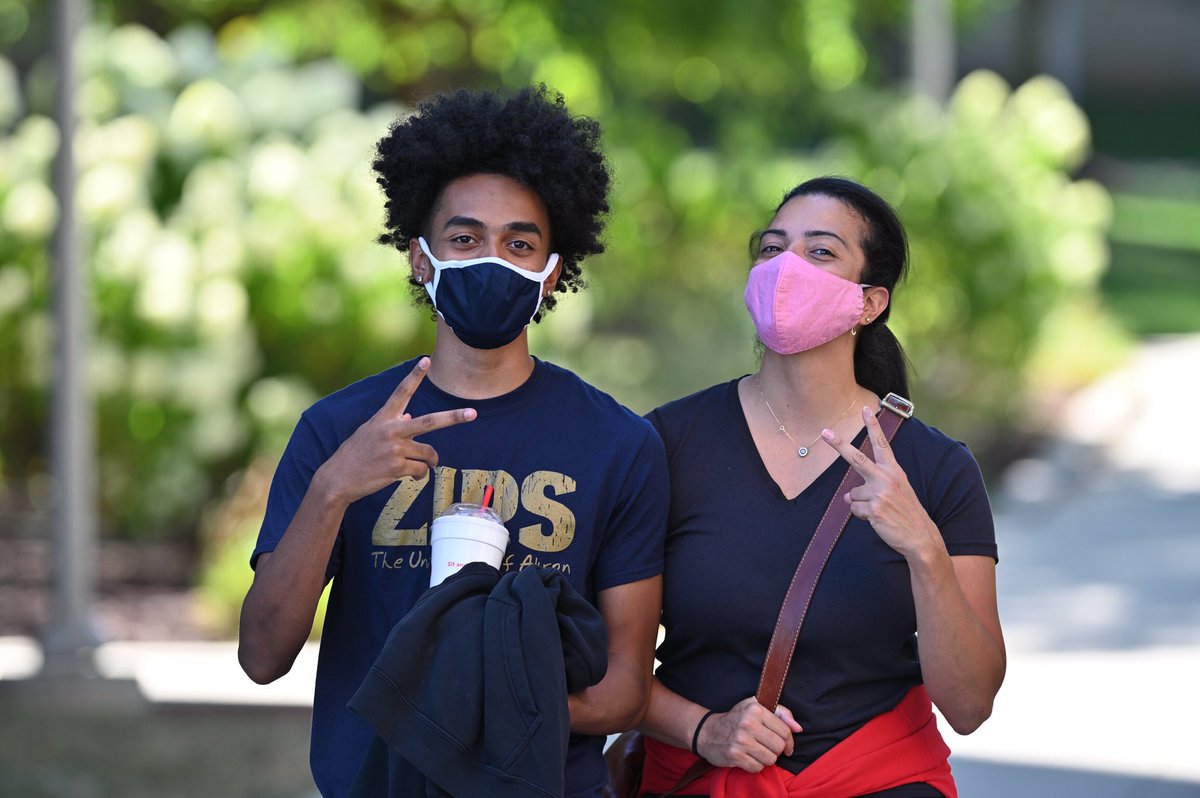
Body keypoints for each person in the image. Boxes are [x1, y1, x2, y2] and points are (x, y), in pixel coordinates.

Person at [237, 85, 669, 798]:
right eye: (465, 239)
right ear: (420, 259)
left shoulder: (618, 444)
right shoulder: (339, 430)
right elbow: (261, 656)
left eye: (519, 243)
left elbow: (626, 687)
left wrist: (476, 721)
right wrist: (335, 488)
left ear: (550, 273)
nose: (491, 259)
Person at [636, 176, 1005, 797]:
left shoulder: (937, 468)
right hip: (698, 777)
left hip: (878, 780)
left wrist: (924, 550)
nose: (786, 268)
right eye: (772, 248)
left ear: (870, 303)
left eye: (821, 252)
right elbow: (603, 665)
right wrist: (703, 730)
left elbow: (969, 707)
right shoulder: (666, 443)